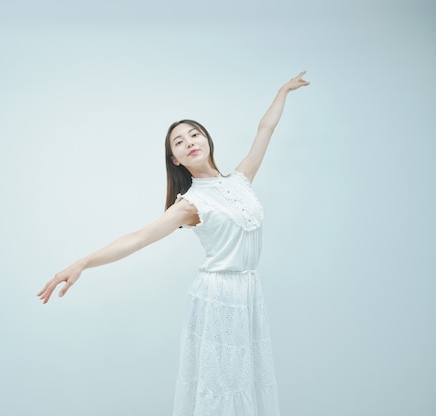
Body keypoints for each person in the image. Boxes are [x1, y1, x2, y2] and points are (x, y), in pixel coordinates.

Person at [37, 71, 310, 415]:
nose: (189, 141)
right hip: (218, 296)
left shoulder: (242, 178)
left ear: (208, 140)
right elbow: (137, 239)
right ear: (175, 160)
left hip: (248, 291)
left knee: (246, 376)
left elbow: (265, 129)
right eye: (179, 142)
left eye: (194, 134)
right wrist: (81, 264)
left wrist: (283, 90)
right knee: (223, 381)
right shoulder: (190, 204)